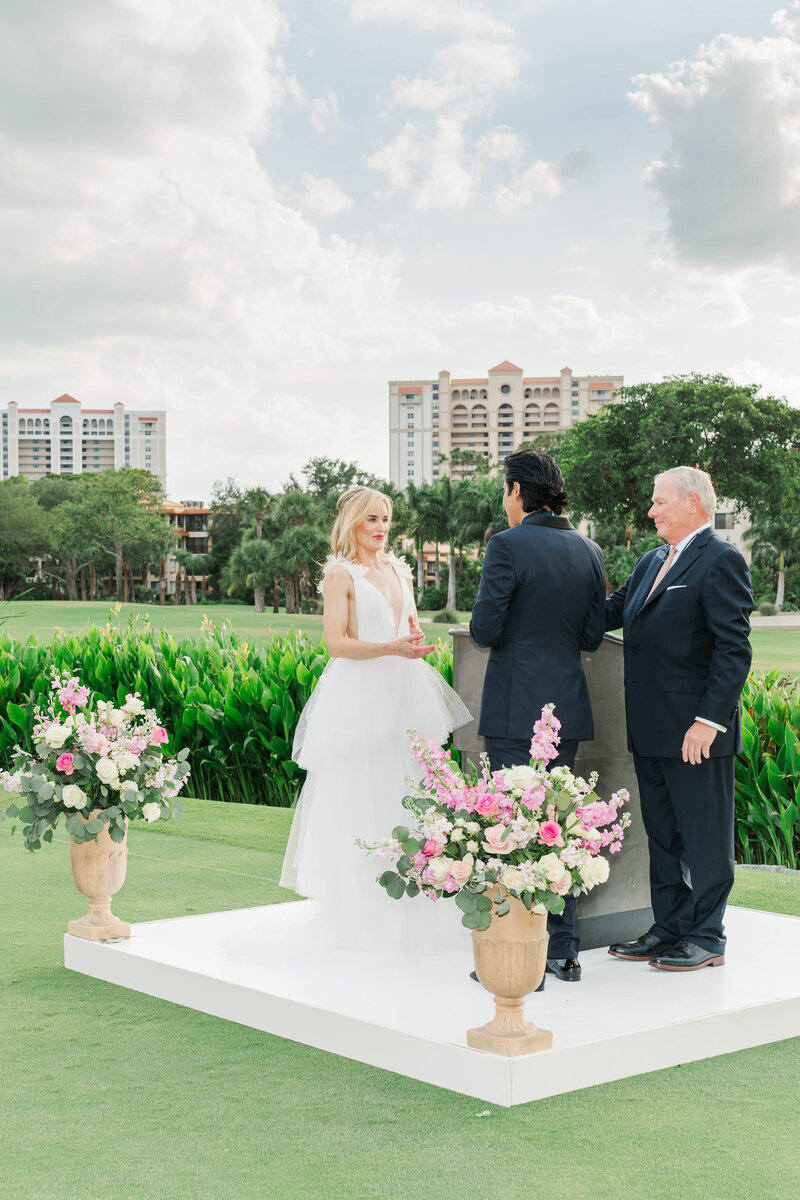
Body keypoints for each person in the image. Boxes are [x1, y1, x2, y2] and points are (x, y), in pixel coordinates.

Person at [280, 485, 471, 948]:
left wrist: (412, 641)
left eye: (386, 518)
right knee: (360, 790)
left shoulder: (399, 569)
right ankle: (357, 908)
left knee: (405, 784)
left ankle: (410, 901)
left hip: (404, 689)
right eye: (372, 519)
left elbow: (406, 626)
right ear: (352, 524)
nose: (382, 527)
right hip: (358, 693)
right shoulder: (339, 575)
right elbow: (336, 644)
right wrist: (389, 647)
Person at [605, 466, 753, 971]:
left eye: (659, 502)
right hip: (649, 726)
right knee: (663, 835)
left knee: (704, 837)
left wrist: (708, 720)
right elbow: (612, 611)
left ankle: (707, 936)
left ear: (693, 503)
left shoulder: (722, 560)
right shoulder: (650, 561)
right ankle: (668, 927)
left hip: (696, 732)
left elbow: (733, 650)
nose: (651, 511)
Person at [469, 450, 606, 984]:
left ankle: (514, 954)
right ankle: (563, 953)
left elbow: (484, 629)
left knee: (508, 830)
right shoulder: (589, 549)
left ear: (516, 491)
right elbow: (593, 637)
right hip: (566, 709)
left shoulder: (506, 544)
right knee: (559, 831)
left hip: (512, 709)